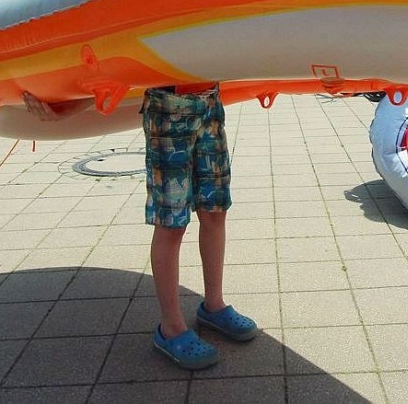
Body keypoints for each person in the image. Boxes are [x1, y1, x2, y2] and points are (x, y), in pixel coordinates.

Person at [23, 83, 257, 370]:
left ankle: (214, 305)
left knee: (215, 210)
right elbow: (121, 62)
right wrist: (69, 104)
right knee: (171, 223)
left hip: (210, 103)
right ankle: (171, 328)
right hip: (167, 106)